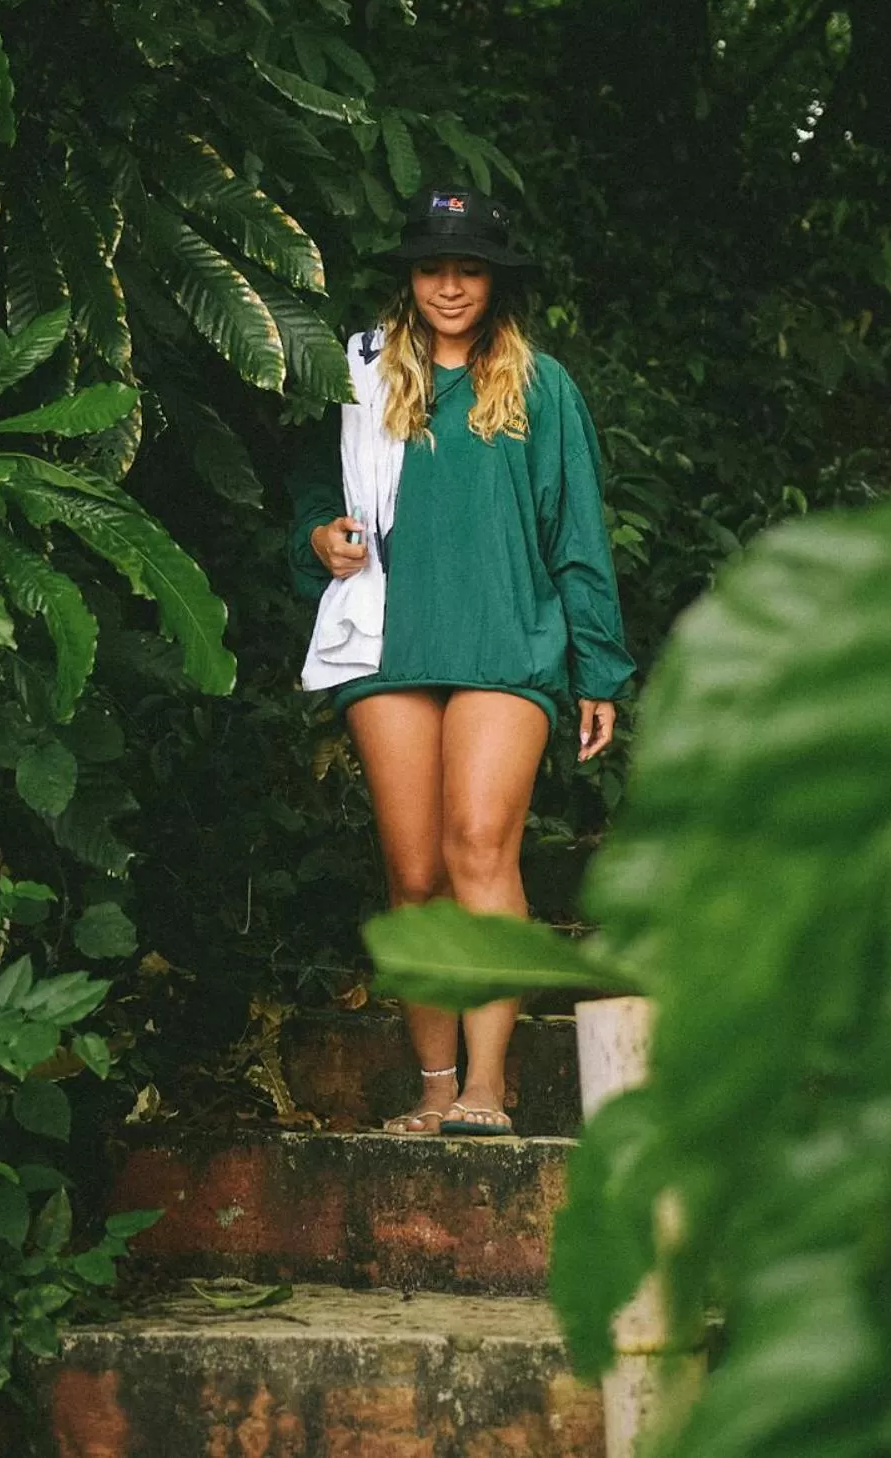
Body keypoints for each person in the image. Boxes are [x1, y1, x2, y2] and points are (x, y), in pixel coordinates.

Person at [289, 187, 634, 1135]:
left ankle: (488, 1084)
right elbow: (311, 497)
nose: (449, 285)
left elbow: (576, 534)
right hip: (389, 642)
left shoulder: (539, 386)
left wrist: (598, 669)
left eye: (469, 268)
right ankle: (435, 1085)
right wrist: (317, 539)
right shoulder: (355, 373)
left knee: (478, 845)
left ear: (494, 280)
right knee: (412, 876)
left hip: (503, 641)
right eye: (434, 266)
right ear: (409, 274)